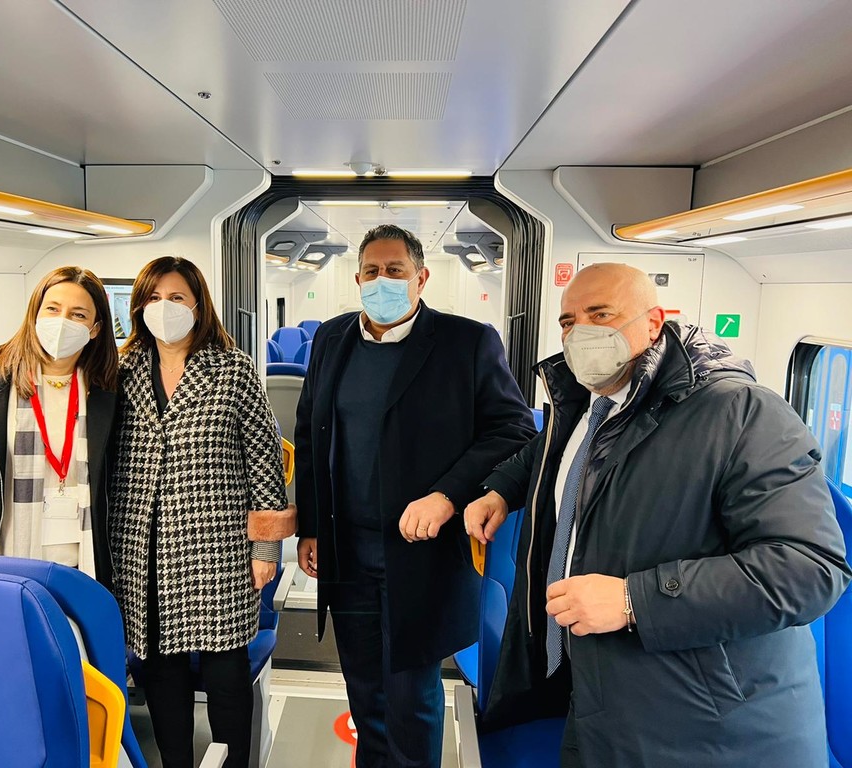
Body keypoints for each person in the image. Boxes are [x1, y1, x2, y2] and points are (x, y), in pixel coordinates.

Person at [465, 262, 852, 767]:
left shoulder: (742, 411)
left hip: (702, 729)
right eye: (567, 321)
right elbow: (554, 454)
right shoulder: (594, 405)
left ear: (653, 322)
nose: (580, 332)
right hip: (596, 696)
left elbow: (810, 569)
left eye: (601, 314)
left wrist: (633, 600)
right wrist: (501, 490)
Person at [294, 224, 536, 767]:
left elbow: (514, 430)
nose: (382, 280)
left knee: (411, 698)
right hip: (346, 549)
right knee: (364, 690)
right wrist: (311, 526)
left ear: (420, 278)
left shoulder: (466, 342)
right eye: (372, 271)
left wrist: (447, 494)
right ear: (358, 279)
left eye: (395, 270)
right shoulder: (331, 339)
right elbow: (310, 435)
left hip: (419, 551)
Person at [109, 256, 292, 768]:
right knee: (159, 673)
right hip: (141, 549)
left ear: (198, 305)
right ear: (138, 306)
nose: (163, 307)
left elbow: (264, 462)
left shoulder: (232, 368)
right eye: (153, 298)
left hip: (217, 547)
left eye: (176, 298)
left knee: (226, 674)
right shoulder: (120, 371)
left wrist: (265, 548)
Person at [0, 266, 119, 584]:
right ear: (35, 314)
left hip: (79, 561)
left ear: (95, 329)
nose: (62, 321)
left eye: (78, 315)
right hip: (0, 554)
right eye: (53, 309)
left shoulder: (108, 391)